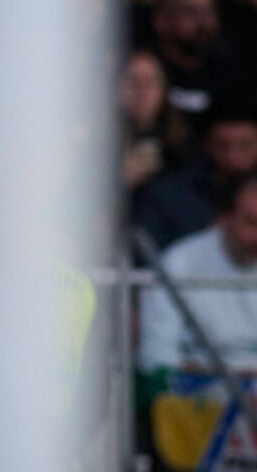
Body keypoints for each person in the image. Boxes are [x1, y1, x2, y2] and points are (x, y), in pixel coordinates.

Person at [139, 173, 257, 371]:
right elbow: (157, 355)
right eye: (252, 223)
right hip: (196, 390)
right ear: (225, 218)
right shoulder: (177, 263)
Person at [136, 99, 257, 248]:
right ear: (207, 145)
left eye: (245, 145)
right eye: (222, 145)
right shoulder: (169, 196)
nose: (233, 156)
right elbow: (146, 260)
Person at [151, 0, 240, 132]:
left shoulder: (230, 72)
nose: (203, 22)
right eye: (190, 11)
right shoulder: (146, 70)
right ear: (161, 19)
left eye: (208, 11)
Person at [119, 51, 189, 202]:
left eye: (150, 82)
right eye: (133, 82)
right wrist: (118, 180)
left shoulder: (183, 142)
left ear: (163, 89)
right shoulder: (94, 144)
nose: (141, 91)